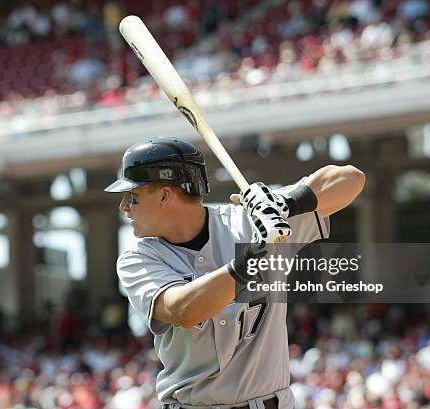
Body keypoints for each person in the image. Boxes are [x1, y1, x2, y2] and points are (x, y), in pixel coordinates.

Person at [105, 137, 365, 408]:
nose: (124, 206)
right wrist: (253, 257)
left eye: (132, 197)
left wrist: (285, 203)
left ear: (164, 195)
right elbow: (185, 309)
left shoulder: (249, 221)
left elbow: (351, 179)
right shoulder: (138, 258)